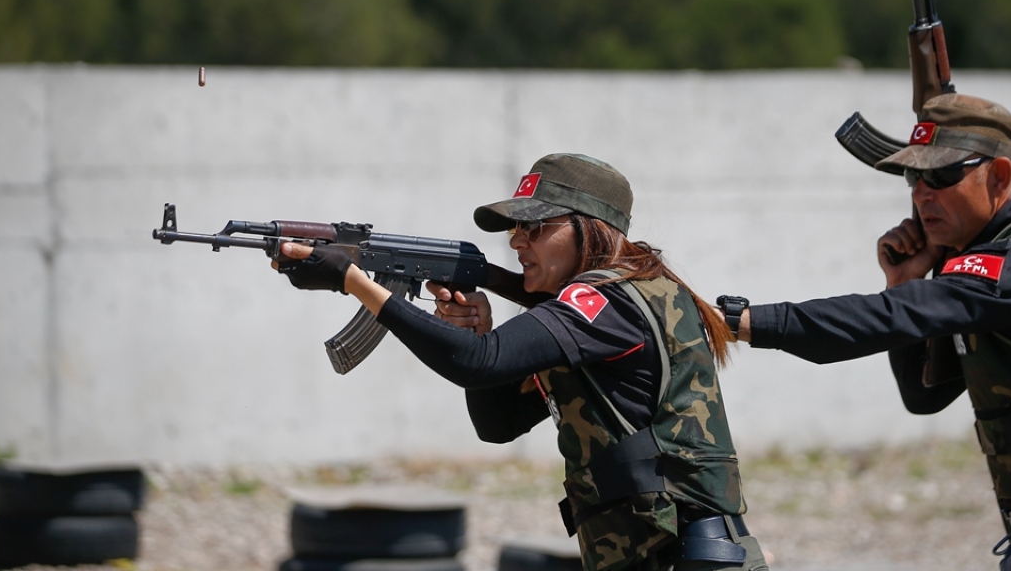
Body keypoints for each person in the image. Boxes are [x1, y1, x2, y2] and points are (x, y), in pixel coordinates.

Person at [714, 95, 1011, 571]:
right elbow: (924, 395)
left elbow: (886, 317)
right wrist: (905, 281)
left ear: (999, 176)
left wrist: (741, 322)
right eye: (913, 178)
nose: (923, 194)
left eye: (942, 175)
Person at [273, 153, 768, 571]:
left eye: (535, 226)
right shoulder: (639, 294)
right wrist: (477, 331)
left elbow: (479, 362)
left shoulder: (604, 302)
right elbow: (498, 424)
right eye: (516, 227)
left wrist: (355, 282)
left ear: (589, 229)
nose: (516, 241)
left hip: (680, 556)